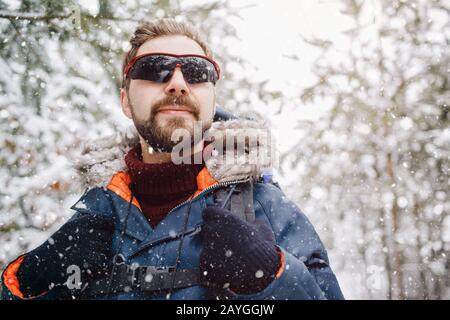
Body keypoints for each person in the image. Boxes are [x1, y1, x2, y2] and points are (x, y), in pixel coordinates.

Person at [1, 19, 344, 300]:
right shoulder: (92, 216)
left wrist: (272, 278)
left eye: (196, 72)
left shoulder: (266, 208)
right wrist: (23, 283)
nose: (178, 83)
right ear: (125, 101)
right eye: (154, 70)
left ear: (212, 100)